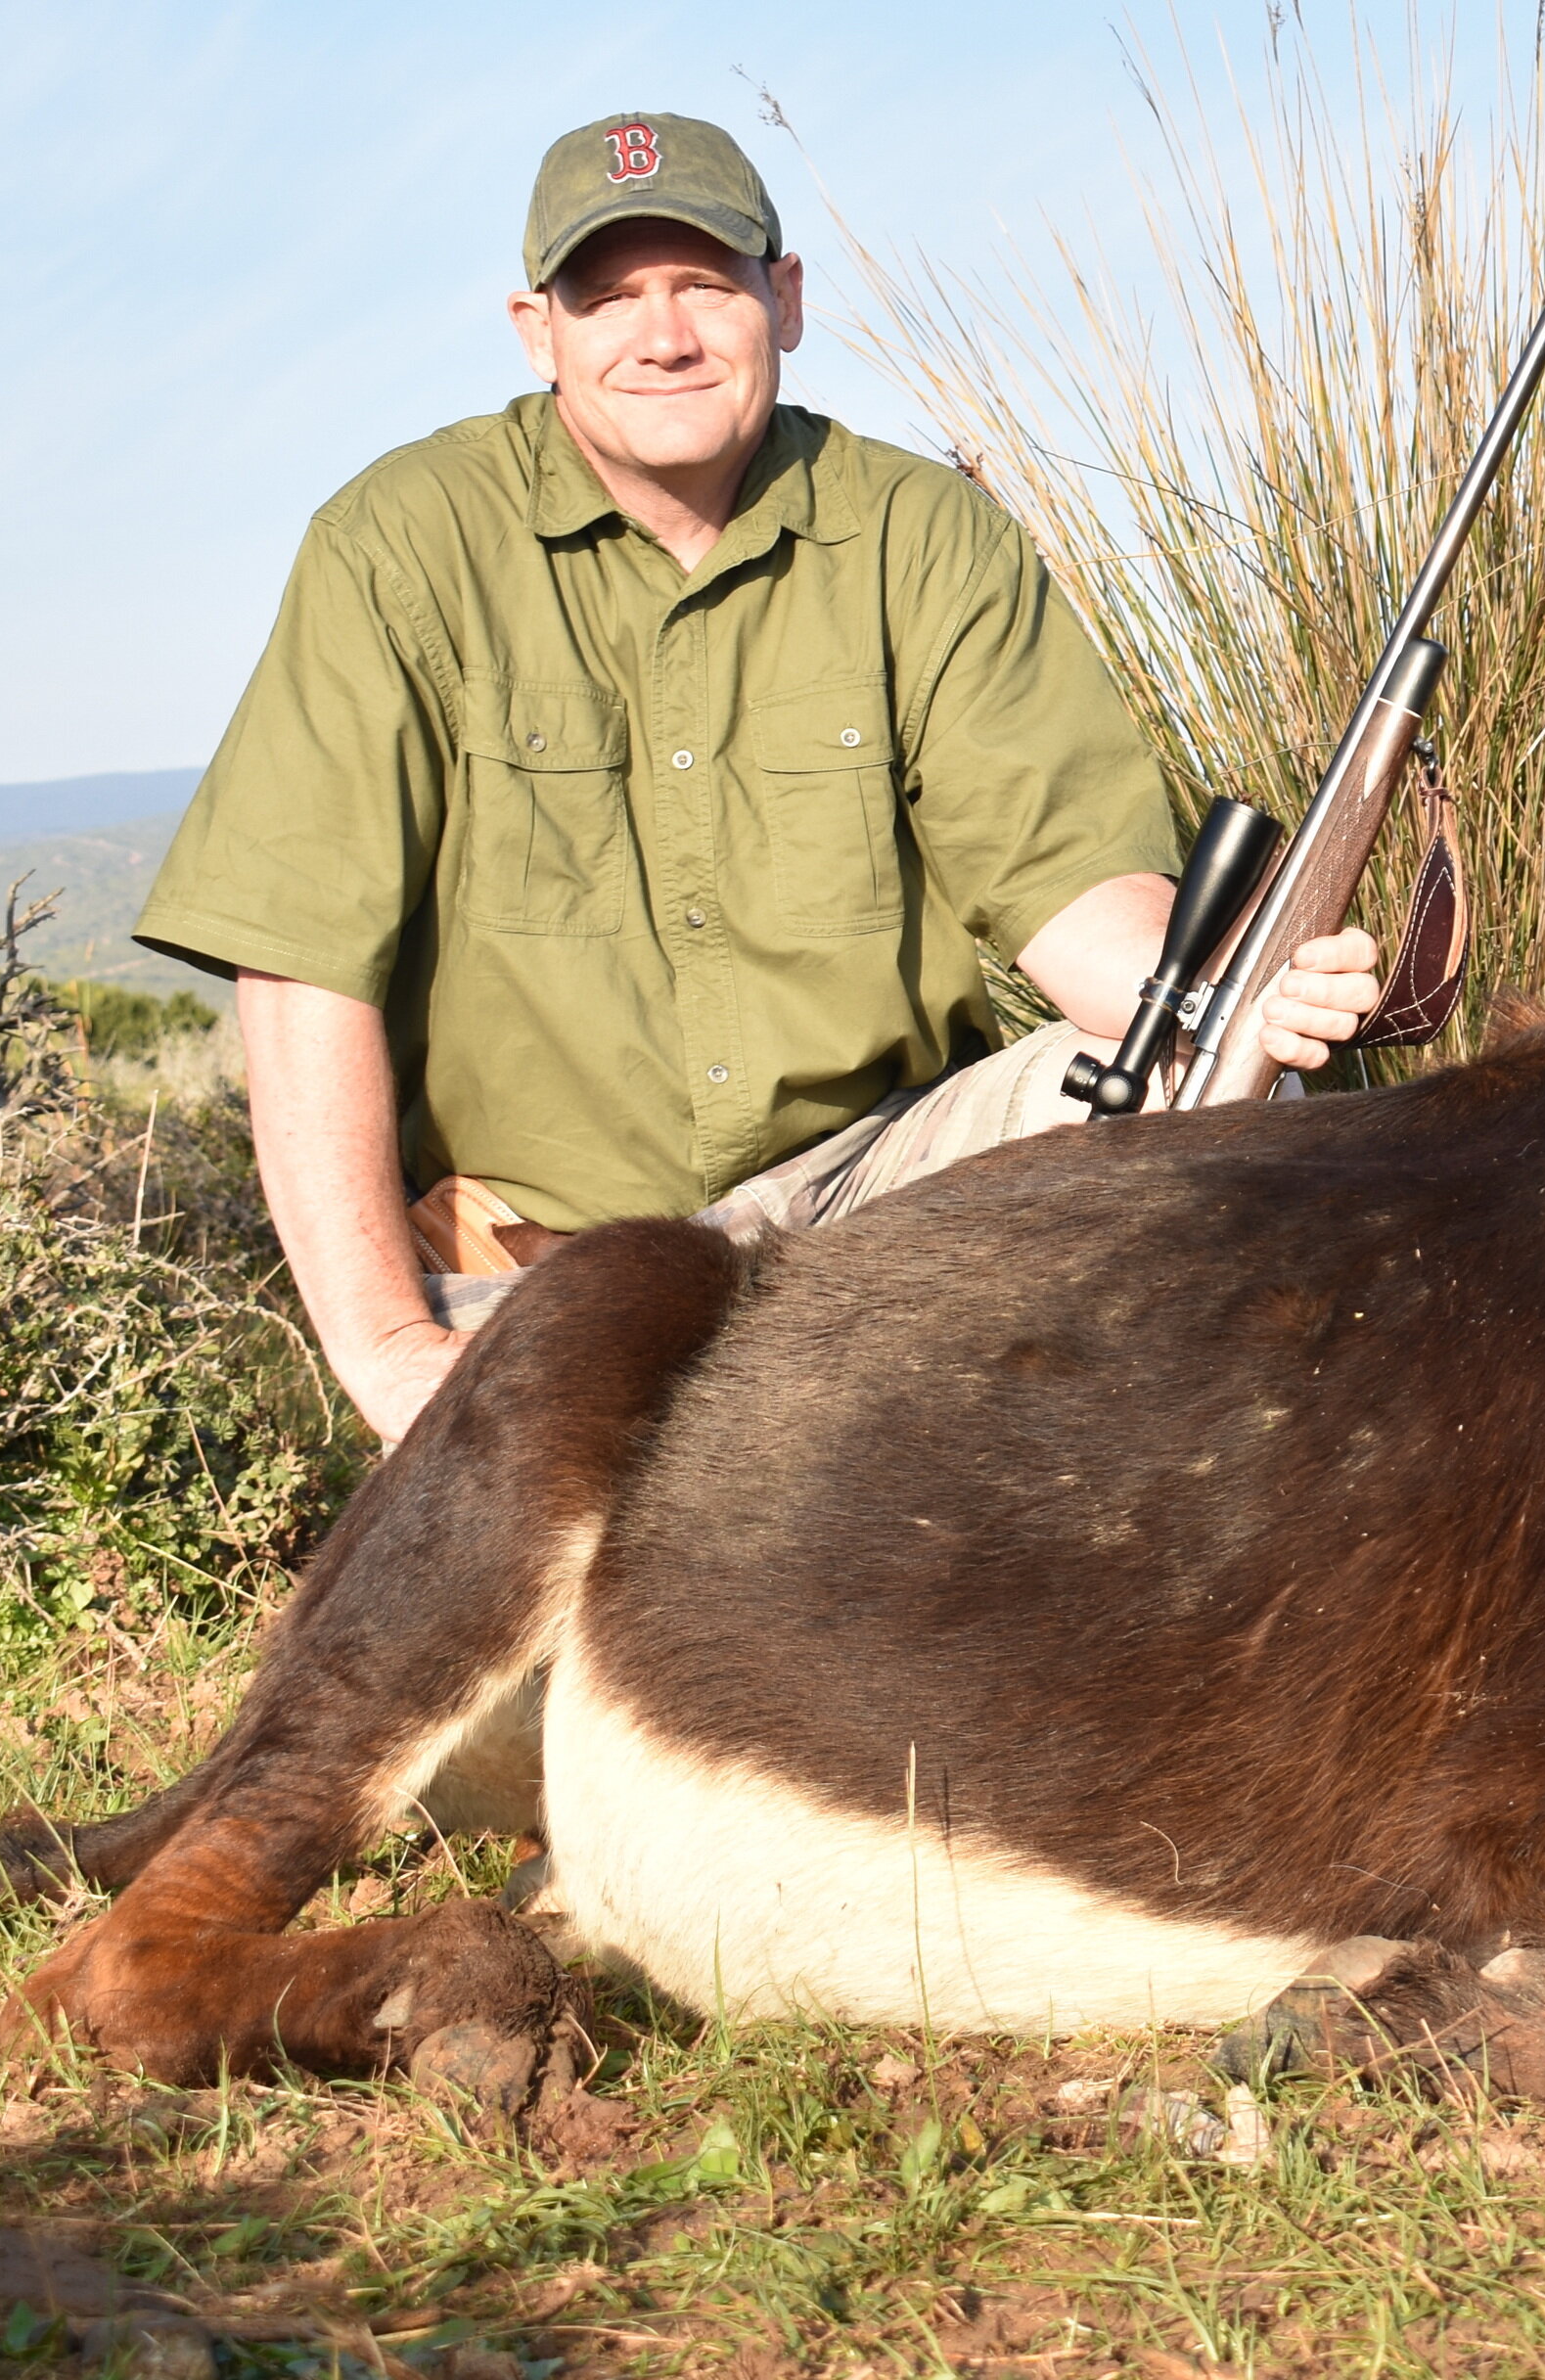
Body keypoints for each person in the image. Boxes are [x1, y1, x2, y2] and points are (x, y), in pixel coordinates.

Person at [139, 112, 1376, 1442]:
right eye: (607, 297)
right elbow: (301, 971)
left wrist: (1234, 1004)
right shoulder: (396, 545)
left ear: (784, 301)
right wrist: (389, 1352)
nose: (661, 334)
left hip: (874, 1204)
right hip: (549, 1262)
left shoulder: (923, 533)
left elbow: (1075, 899)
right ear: (535, 329)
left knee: (1211, 1083)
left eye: (705, 285)